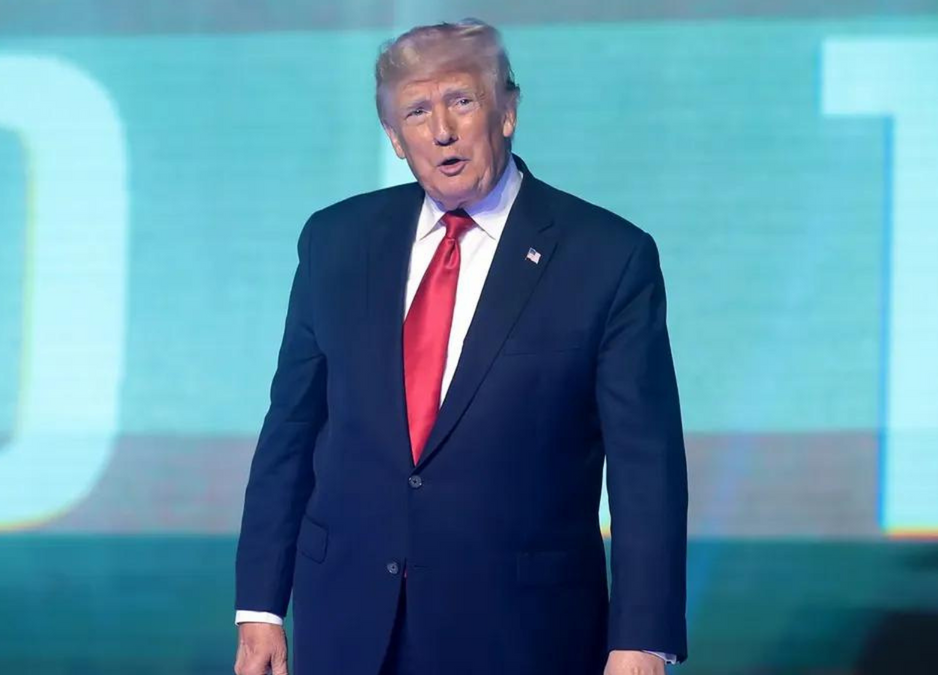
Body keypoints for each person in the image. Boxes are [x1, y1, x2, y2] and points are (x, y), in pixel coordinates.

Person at [233, 19, 687, 675]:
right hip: (350, 627)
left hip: (523, 632)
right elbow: (291, 432)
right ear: (394, 137)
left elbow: (648, 470)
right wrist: (261, 608)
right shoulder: (335, 242)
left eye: (461, 101)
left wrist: (641, 640)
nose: (441, 129)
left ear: (507, 111)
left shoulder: (607, 257)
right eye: (417, 111)